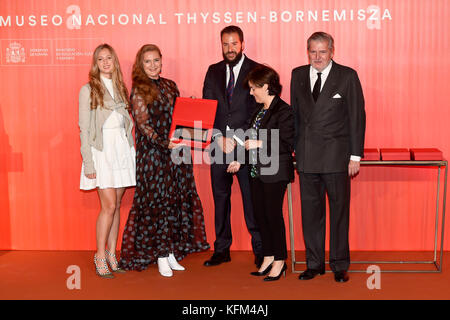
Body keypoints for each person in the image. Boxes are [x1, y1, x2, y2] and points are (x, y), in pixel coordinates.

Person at [119, 44, 210, 277]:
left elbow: (179, 117)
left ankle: (170, 251)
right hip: (153, 156)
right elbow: (143, 125)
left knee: (174, 201)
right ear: (141, 64)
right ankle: (160, 255)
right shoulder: (139, 90)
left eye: (156, 60)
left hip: (176, 154)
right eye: (147, 61)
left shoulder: (170, 85)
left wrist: (189, 106)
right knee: (157, 204)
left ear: (162, 61)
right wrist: (162, 142)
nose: (152, 65)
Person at [290, 32, 366, 283]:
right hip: (307, 156)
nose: (318, 56)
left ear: (332, 51)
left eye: (323, 51)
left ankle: (339, 264)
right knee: (311, 214)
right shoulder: (297, 75)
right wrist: (295, 151)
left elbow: (357, 117)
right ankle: (314, 264)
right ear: (307, 51)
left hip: (336, 157)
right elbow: (296, 118)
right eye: (313, 51)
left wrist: (355, 155)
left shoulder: (347, 76)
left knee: (338, 213)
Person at [202, 25, 263, 267]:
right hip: (218, 146)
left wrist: (237, 142)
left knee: (251, 200)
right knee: (220, 199)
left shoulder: (256, 70)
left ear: (242, 44)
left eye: (234, 44)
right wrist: (218, 137)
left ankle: (260, 249)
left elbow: (258, 110)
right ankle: (221, 249)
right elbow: (208, 107)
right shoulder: (213, 71)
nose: (230, 49)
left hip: (245, 147)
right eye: (225, 44)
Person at [228, 65, 295, 281]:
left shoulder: (283, 110)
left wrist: (260, 141)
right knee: (260, 216)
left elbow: (287, 143)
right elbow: (249, 143)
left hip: (275, 172)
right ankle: (267, 256)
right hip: (256, 172)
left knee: (273, 216)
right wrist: (240, 160)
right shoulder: (258, 111)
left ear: (265, 86)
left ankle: (279, 260)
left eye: (253, 88)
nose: (250, 92)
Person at [79, 43, 136, 279]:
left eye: (109, 58)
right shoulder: (88, 90)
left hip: (122, 149)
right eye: (100, 59)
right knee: (109, 206)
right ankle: (100, 255)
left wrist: (131, 149)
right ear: (95, 63)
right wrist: (89, 162)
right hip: (101, 151)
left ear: (115, 61)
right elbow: (83, 129)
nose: (105, 62)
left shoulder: (122, 88)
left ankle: (113, 253)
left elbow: (126, 122)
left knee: (118, 205)